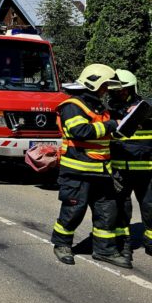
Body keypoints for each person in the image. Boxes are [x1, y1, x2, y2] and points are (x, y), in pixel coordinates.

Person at [51, 64, 132, 268]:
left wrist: (125, 122)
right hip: (77, 172)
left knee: (107, 212)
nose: (106, 90)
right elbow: (80, 131)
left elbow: (105, 135)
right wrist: (111, 125)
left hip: (102, 173)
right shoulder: (73, 105)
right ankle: (62, 245)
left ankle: (104, 251)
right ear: (93, 83)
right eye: (104, 85)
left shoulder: (100, 109)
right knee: (73, 211)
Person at [108, 69, 152, 260]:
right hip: (120, 171)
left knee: (150, 207)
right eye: (116, 90)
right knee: (121, 209)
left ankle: (150, 242)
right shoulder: (108, 111)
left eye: (124, 90)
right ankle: (123, 244)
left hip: (146, 170)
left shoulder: (145, 108)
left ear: (132, 88)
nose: (120, 93)